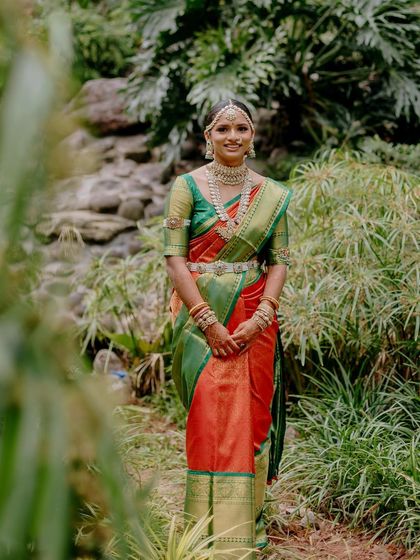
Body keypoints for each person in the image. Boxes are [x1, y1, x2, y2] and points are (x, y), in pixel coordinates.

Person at [163, 99, 292, 559]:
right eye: (223, 129)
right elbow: (175, 260)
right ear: (208, 139)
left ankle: (243, 533)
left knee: (250, 418)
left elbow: (278, 262)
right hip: (201, 318)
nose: (233, 136)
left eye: (241, 128)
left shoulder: (272, 195)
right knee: (205, 418)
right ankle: (204, 534)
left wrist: (263, 317)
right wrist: (207, 321)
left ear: (252, 136)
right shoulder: (186, 187)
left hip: (255, 314)